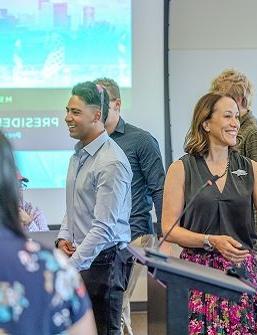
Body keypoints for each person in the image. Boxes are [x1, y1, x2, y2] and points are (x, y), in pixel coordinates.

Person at [159, 92, 257, 335]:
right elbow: (169, 228)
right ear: (206, 123)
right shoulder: (181, 169)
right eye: (227, 116)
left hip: (241, 272)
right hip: (198, 274)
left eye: (237, 117)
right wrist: (209, 240)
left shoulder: (250, 168)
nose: (235, 123)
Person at [55, 81, 134, 335]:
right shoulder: (78, 154)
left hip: (106, 263)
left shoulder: (111, 162)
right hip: (84, 258)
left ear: (97, 115)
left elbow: (104, 228)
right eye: (68, 110)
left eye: (75, 112)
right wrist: (64, 236)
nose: (68, 117)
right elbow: (76, 204)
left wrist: (71, 266)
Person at [0, 130, 97, 335]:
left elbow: (42, 236)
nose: (19, 189)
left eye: (22, 184)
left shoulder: (34, 212)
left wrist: (27, 222)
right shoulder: (51, 267)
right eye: (15, 184)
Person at [209, 69, 257, 334]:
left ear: (239, 100)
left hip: (256, 240)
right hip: (240, 237)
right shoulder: (235, 132)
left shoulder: (254, 135)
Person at [94, 77, 165, 335]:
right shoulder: (92, 144)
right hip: (101, 238)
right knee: (107, 306)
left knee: (118, 303)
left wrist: (165, 237)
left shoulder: (141, 141)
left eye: (102, 104)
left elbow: (159, 188)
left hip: (135, 237)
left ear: (117, 104)